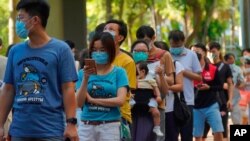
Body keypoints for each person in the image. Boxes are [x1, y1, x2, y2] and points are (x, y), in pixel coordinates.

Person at [0, 1, 78, 141]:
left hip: (51, 131)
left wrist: (71, 123)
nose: (18, 23)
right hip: (19, 131)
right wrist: (0, 124)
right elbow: (8, 89)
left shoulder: (61, 49)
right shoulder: (15, 51)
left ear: (35, 20)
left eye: (21, 18)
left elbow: (68, 89)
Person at [76, 32, 129, 141]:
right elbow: (79, 103)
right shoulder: (82, 73)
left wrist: (93, 100)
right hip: (86, 126)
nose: (98, 53)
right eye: (94, 50)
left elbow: (120, 100)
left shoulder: (119, 72)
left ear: (111, 51)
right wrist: (86, 79)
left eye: (103, 50)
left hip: (110, 126)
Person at [131, 37, 171, 141]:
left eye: (144, 51)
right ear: (132, 52)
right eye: (137, 51)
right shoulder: (126, 69)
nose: (140, 53)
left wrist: (161, 75)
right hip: (132, 112)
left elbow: (165, 91)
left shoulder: (153, 70)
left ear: (148, 53)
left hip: (150, 112)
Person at [168, 30, 202, 141]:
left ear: (183, 42)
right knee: (171, 135)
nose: (175, 47)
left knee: (186, 134)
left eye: (178, 45)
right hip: (169, 102)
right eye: (173, 45)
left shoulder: (191, 55)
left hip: (187, 101)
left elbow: (199, 77)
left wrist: (182, 70)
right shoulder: (166, 55)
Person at [104, 19, 137, 132]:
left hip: (119, 116)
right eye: (105, 29)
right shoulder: (96, 58)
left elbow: (128, 89)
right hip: (96, 114)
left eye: (111, 29)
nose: (106, 31)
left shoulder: (127, 61)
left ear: (120, 38)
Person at [191, 43, 224, 141]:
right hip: (195, 107)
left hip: (211, 105)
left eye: (197, 51)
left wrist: (209, 87)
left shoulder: (213, 69)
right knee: (197, 135)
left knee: (218, 131)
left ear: (204, 53)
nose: (195, 53)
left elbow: (220, 86)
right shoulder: (188, 70)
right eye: (193, 52)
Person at [203, 42, 233, 141]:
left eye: (214, 51)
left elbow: (230, 84)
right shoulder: (204, 66)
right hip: (205, 102)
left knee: (222, 132)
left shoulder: (225, 66)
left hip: (221, 101)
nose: (212, 53)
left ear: (219, 51)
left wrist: (230, 99)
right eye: (210, 52)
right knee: (202, 133)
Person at [132, 61, 163, 136]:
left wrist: (158, 97)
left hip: (148, 99)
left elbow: (156, 90)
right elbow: (134, 87)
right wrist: (136, 78)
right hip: (135, 98)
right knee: (127, 109)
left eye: (136, 71)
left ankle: (157, 127)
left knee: (156, 112)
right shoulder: (133, 80)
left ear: (143, 71)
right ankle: (125, 123)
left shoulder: (151, 80)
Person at [224, 53, 245, 124]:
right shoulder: (221, 68)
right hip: (223, 96)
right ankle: (223, 134)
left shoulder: (237, 68)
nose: (232, 60)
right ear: (226, 60)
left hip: (235, 96)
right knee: (223, 120)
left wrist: (238, 85)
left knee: (237, 119)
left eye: (233, 58)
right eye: (230, 58)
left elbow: (242, 82)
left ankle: (238, 135)